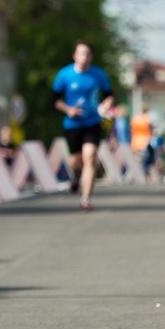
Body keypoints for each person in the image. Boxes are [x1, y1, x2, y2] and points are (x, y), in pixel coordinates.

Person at [52, 40, 114, 211]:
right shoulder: (64, 75)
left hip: (92, 122)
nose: (84, 57)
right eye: (81, 53)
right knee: (75, 161)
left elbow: (109, 95)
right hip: (72, 123)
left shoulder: (98, 75)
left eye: (87, 53)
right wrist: (67, 109)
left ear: (91, 56)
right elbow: (55, 100)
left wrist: (107, 104)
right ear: (75, 56)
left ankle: (85, 198)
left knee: (90, 156)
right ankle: (75, 175)